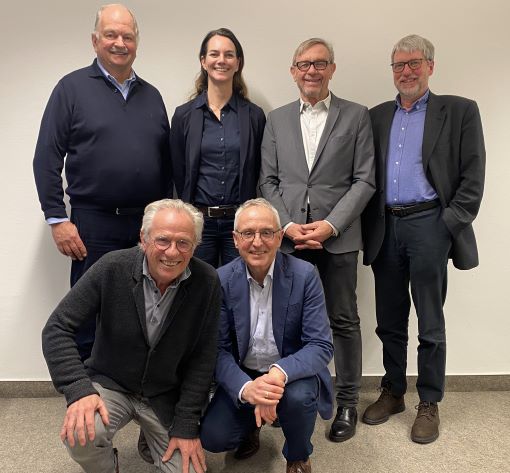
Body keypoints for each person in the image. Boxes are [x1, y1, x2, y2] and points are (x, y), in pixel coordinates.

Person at [42, 199, 221, 473]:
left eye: (184, 242)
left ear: (195, 246)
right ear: (144, 238)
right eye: (162, 240)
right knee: (82, 432)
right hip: (112, 384)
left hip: (165, 394)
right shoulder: (112, 266)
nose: (172, 251)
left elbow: (203, 358)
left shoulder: (207, 282)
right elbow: (57, 327)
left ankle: (150, 435)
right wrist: (78, 390)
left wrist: (186, 426)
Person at [361, 35, 485, 444]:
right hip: (386, 227)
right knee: (389, 321)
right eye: (398, 65)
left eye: (414, 63)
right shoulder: (377, 116)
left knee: (430, 322)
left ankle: (429, 401)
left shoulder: (460, 111)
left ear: (430, 65)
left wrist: (448, 223)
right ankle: (393, 391)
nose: (406, 72)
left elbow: (473, 175)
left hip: (429, 224)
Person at [33, 4, 171, 360]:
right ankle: (85, 395)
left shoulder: (152, 96)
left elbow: (167, 164)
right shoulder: (71, 88)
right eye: (111, 35)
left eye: (127, 35)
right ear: (95, 41)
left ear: (136, 43)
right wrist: (57, 219)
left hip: (144, 225)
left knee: (143, 307)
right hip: (92, 223)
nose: (119, 42)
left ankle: (129, 387)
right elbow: (46, 157)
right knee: (87, 310)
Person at [259, 38, 375, 443]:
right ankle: (295, 396)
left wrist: (331, 225)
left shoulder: (356, 116)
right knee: (288, 322)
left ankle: (346, 402)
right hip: (289, 242)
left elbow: (365, 180)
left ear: (332, 68)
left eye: (320, 63)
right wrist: (288, 226)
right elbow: (267, 181)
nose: (312, 71)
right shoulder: (276, 120)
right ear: (293, 70)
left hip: (338, 239)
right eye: (304, 64)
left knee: (343, 320)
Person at [200, 198, 333, 473]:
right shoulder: (220, 280)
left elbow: (320, 345)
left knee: (299, 398)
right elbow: (216, 350)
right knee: (214, 437)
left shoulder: (304, 275)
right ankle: (251, 425)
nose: (257, 242)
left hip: (290, 371)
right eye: (248, 233)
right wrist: (248, 389)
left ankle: (299, 459)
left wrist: (278, 373)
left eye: (266, 233)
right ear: (235, 239)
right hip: (244, 372)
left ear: (278, 236)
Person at [170, 28, 266, 268]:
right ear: (203, 61)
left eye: (229, 55)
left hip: (241, 224)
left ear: (238, 63)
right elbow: (178, 173)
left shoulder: (254, 116)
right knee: (199, 293)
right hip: (199, 223)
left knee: (240, 291)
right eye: (214, 54)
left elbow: (260, 172)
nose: (221, 60)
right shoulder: (183, 116)